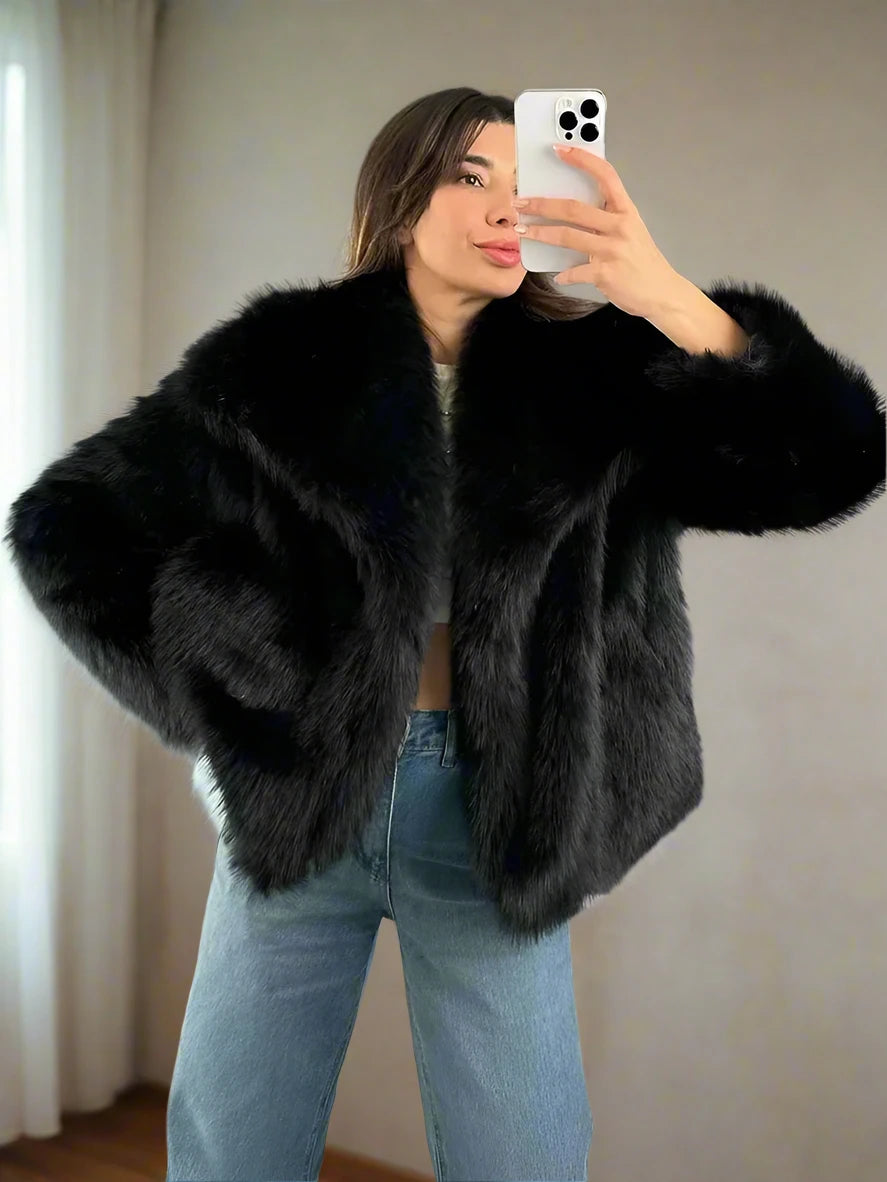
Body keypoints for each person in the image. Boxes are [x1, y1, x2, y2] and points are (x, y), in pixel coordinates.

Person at [5, 86, 884, 1182]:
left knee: (519, 1159)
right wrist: (228, 714)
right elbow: (63, 529)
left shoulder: (604, 374)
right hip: (303, 794)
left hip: (496, 802)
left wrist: (662, 294)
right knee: (230, 1151)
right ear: (400, 194)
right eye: (473, 176)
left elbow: (834, 460)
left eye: (526, 179)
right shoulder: (281, 361)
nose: (506, 205)